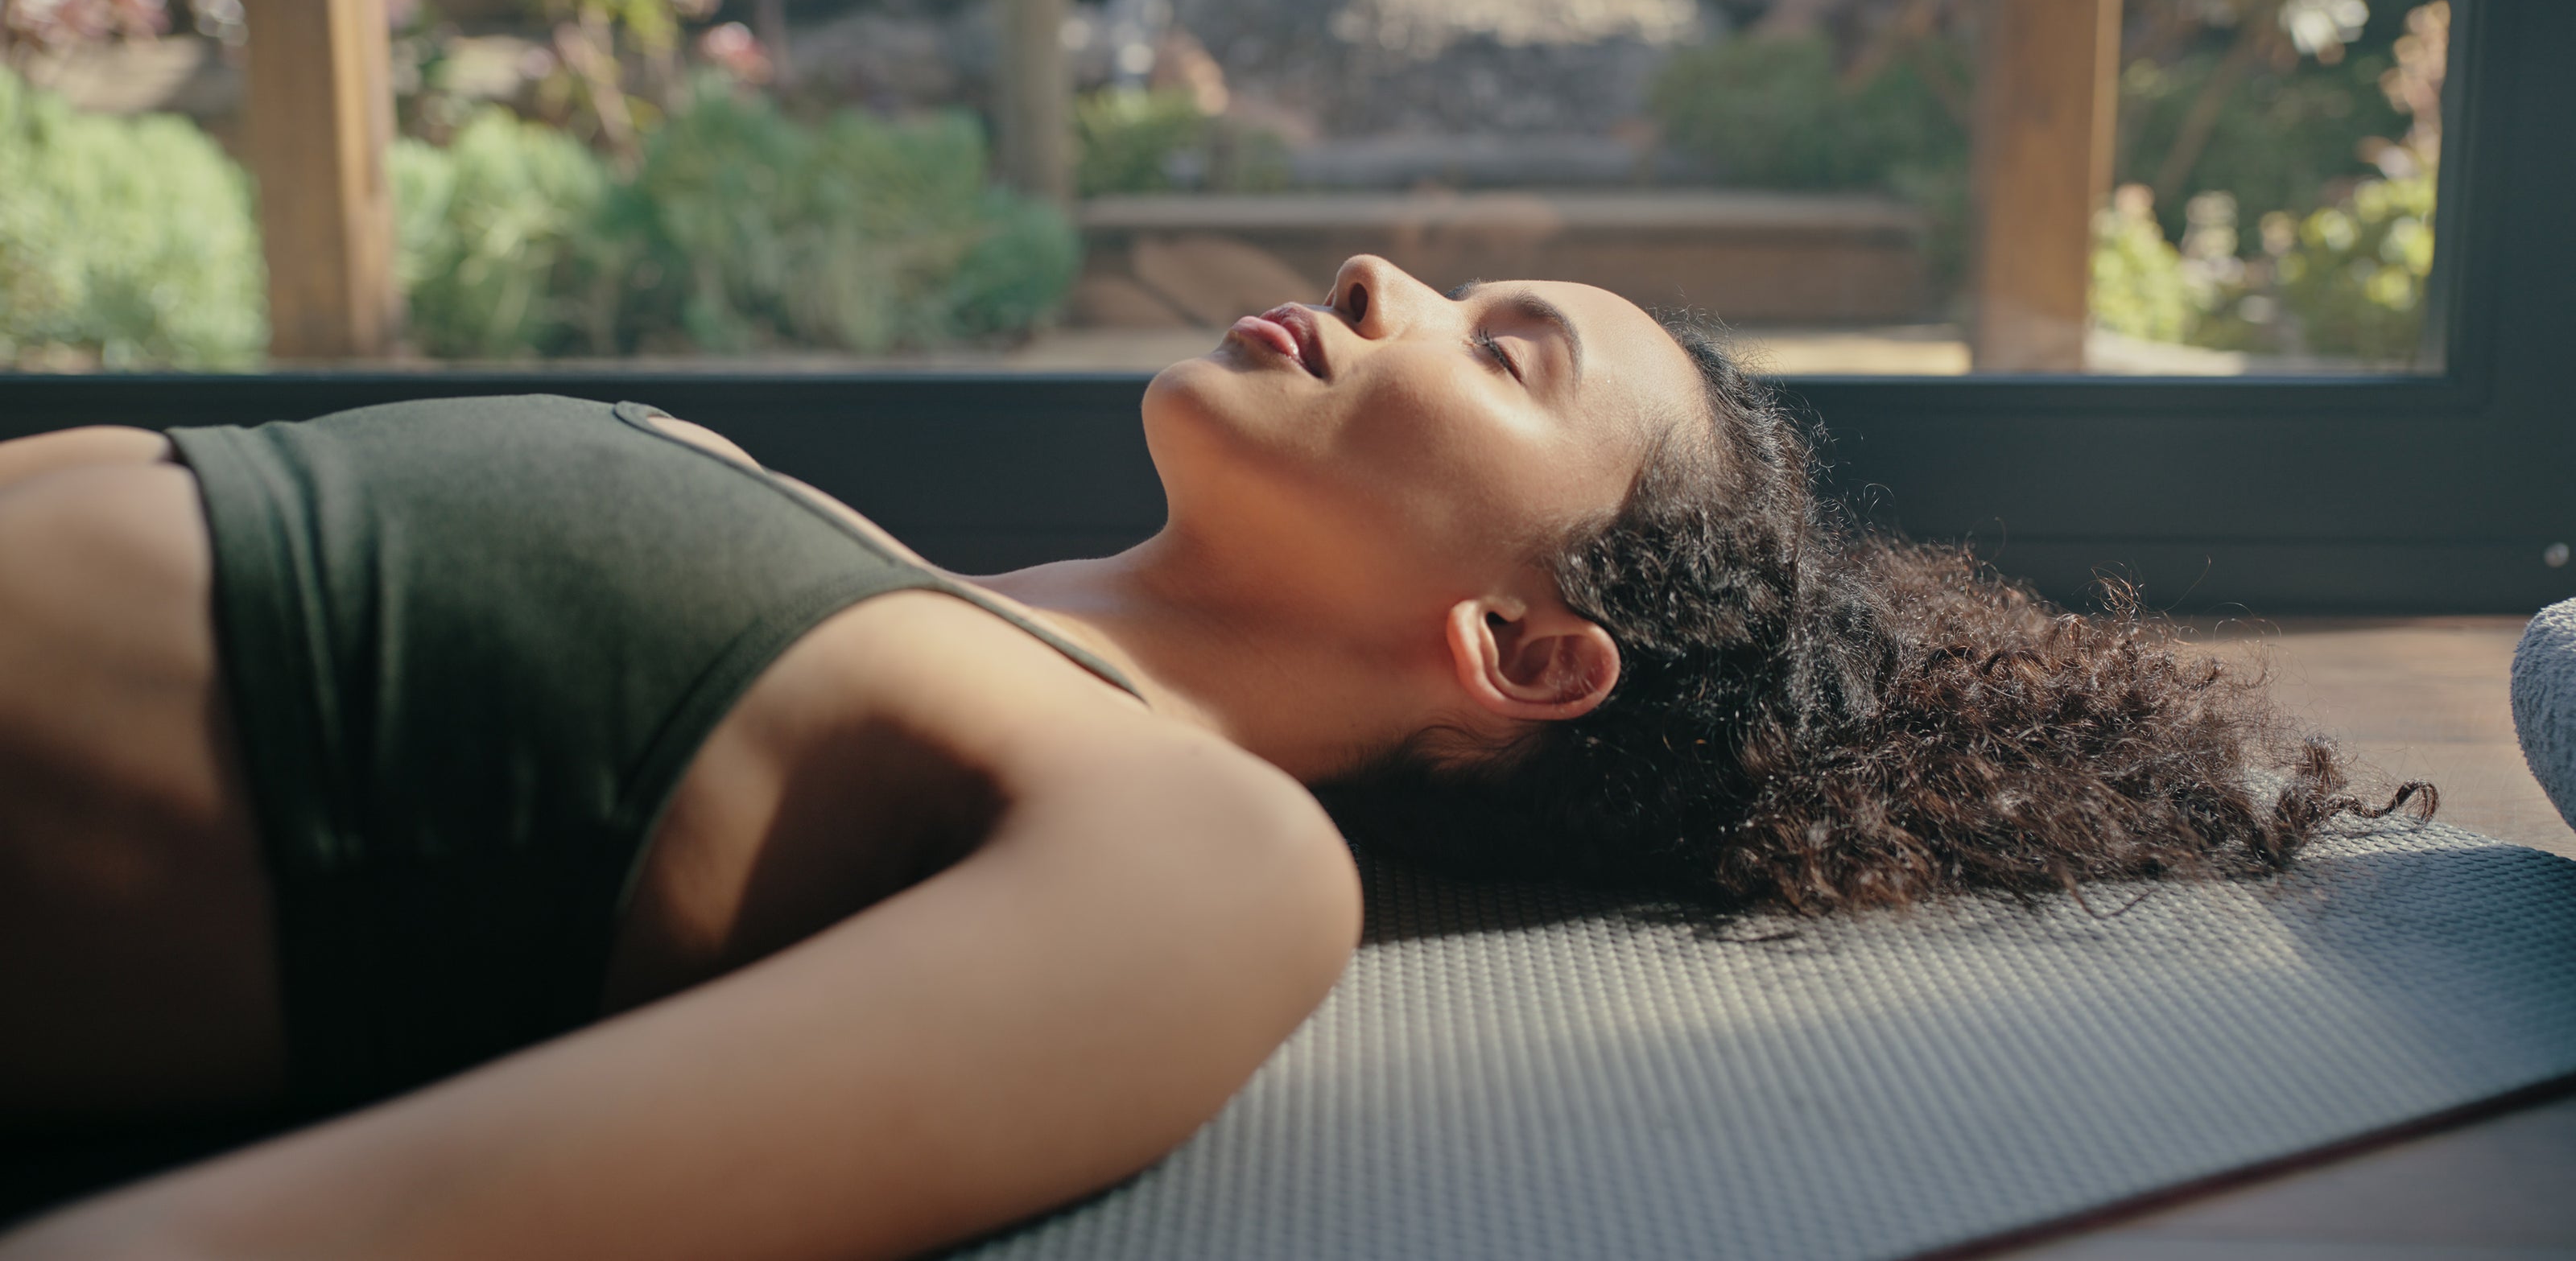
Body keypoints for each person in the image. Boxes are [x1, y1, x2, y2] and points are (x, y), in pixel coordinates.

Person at [0, 255, 2425, 1259]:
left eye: (1501, 352)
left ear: (1525, 655)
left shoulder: (1203, 857)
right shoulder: (862, 560)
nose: (1384, 278)